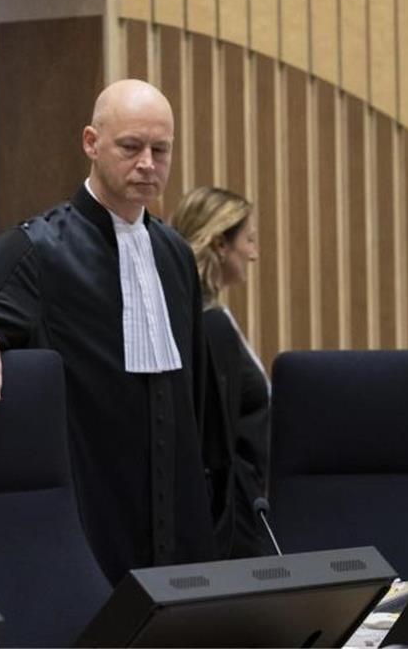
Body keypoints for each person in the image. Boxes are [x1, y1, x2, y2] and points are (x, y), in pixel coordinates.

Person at [0, 79, 218, 586]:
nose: (147, 163)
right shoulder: (36, 248)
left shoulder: (175, 253)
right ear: (90, 143)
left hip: (178, 507)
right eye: (130, 147)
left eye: (160, 150)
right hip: (89, 506)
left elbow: (200, 395)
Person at [171, 186, 273, 559]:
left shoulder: (206, 318)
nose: (254, 253)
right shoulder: (209, 327)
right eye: (248, 239)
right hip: (234, 529)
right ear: (218, 245)